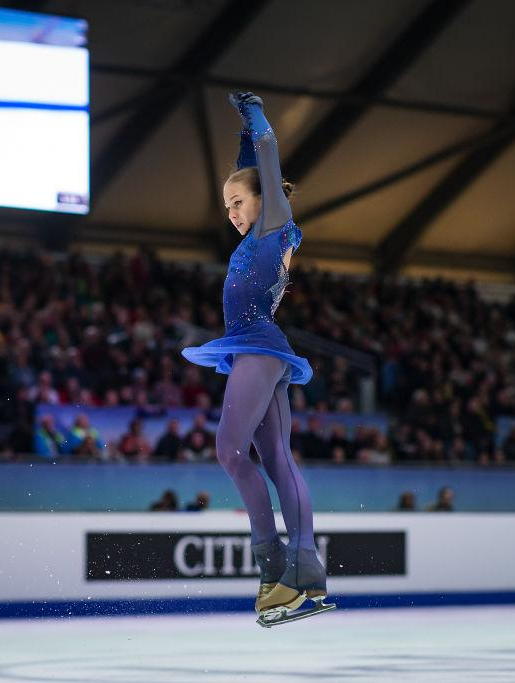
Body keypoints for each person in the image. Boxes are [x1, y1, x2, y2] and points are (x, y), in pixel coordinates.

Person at [181, 91, 331, 626]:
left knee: (229, 450)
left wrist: (256, 116)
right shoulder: (263, 228)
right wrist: (244, 131)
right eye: (226, 207)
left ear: (261, 200)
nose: (231, 214)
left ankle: (275, 564)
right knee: (275, 459)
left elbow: (265, 159)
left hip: (258, 346)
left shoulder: (275, 222)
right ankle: (302, 567)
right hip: (258, 350)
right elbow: (253, 161)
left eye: (236, 203)